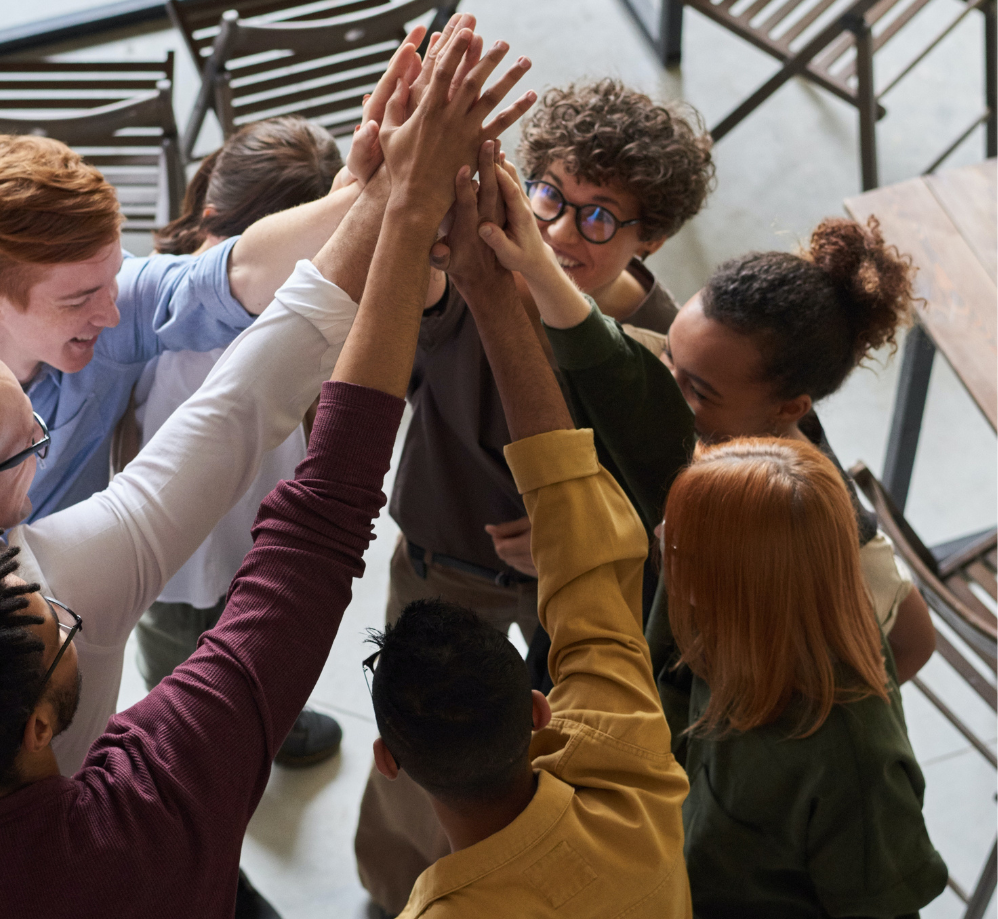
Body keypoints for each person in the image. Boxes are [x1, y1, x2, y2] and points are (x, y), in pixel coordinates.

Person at [0, 14, 537, 908]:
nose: (115, 314)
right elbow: (244, 419)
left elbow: (220, 282)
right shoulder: (70, 586)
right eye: (31, 441)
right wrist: (404, 203)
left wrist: (364, 195)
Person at [476, 145, 946, 915]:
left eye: (691, 385)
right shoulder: (710, 452)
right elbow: (625, 379)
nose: (661, 548)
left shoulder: (841, 730)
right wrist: (534, 267)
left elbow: (909, 641)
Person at [355, 78, 715, 913]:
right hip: (444, 575)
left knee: (549, 755)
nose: (555, 231)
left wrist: (576, 519)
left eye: (599, 217)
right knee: (426, 772)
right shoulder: (472, 267)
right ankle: (388, 886)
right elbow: (410, 305)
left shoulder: (659, 345)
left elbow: (665, 477)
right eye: (550, 195)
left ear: (650, 236)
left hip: (572, 599)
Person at [0, 117, 368, 548]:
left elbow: (227, 276)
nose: (111, 314)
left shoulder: (113, 311)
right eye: (79, 299)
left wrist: (375, 193)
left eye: (114, 278)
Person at [124, 115, 347, 765]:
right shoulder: (191, 348)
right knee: (183, 697)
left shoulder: (169, 269)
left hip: (243, 536)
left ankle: (267, 720)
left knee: (255, 650)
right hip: (184, 568)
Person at [662, 437, 946, 915]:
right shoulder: (710, 616)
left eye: (678, 544)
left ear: (744, 584)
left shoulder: (855, 764)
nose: (657, 534)